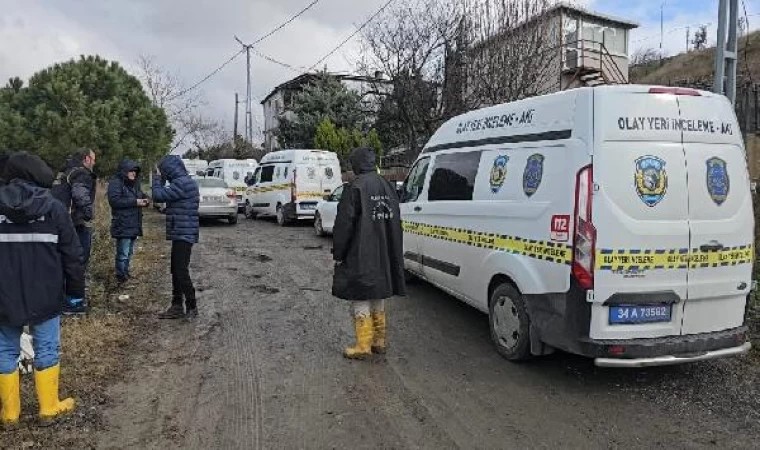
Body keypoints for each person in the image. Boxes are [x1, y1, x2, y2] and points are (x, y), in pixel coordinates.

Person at [0, 152, 84, 427]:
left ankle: (9, 413)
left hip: (3, 295)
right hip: (46, 292)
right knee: (47, 347)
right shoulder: (55, 208)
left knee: (3, 350)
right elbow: (72, 254)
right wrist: (75, 292)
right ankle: (49, 407)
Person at [332, 147, 406, 360]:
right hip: (385, 252)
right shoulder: (388, 186)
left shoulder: (354, 188)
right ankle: (379, 341)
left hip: (361, 252)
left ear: (356, 165)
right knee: (378, 294)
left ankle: (363, 345)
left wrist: (339, 252)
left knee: (360, 295)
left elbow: (344, 226)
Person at [152, 155, 200, 319]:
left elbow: (158, 195)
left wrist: (157, 178)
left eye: (164, 171)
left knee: (180, 270)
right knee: (175, 269)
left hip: (184, 233)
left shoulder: (182, 184)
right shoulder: (184, 181)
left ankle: (192, 306)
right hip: (182, 231)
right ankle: (177, 305)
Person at [52, 148, 96, 315]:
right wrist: (88, 213)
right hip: (77, 224)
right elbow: (79, 194)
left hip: (60, 223)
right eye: (93, 159)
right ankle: (74, 302)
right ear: (86, 159)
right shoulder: (82, 174)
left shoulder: (64, 173)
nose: (94, 162)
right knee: (78, 262)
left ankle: (61, 298)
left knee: (63, 262)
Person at [107, 160, 149, 283]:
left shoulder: (135, 184)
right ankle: (120, 277)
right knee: (123, 253)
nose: (134, 173)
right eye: (131, 171)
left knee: (129, 252)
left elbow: (142, 195)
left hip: (133, 224)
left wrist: (146, 200)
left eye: (135, 171)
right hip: (122, 223)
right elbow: (114, 201)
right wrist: (135, 202)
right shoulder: (116, 183)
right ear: (124, 171)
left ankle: (125, 273)